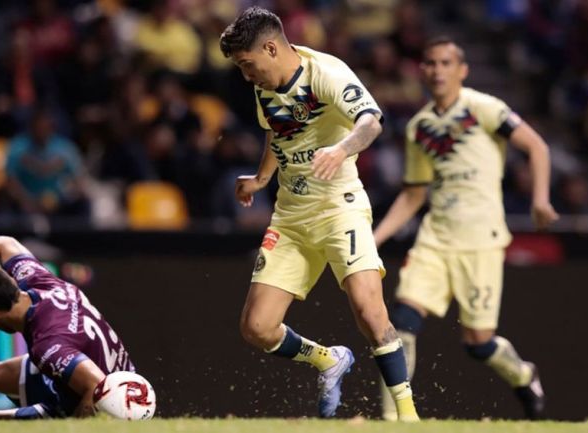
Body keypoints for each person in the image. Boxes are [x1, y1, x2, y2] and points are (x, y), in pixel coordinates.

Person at [220, 7, 419, 420]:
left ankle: (407, 414)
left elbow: (372, 122)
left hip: (338, 208)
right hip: (290, 217)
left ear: (271, 48)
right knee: (256, 328)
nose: (246, 75)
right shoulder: (265, 84)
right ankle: (328, 360)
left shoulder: (327, 73)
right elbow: (278, 132)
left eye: (247, 64)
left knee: (369, 309)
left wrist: (342, 148)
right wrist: (260, 179)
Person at [373, 36, 558, 420]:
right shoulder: (419, 127)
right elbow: (413, 195)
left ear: (462, 70)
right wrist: (373, 239)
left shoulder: (485, 108)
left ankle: (524, 376)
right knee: (401, 321)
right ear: (421, 70)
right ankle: (394, 420)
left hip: (481, 240)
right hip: (435, 239)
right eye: (430, 63)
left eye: (445, 63)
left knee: (478, 343)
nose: (437, 70)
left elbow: (537, 147)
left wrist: (540, 200)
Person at [0, 236, 135, 419]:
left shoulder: (48, 345)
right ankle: (44, 411)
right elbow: (4, 243)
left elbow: (99, 387)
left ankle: (54, 415)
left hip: (116, 402)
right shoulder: (36, 280)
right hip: (122, 376)